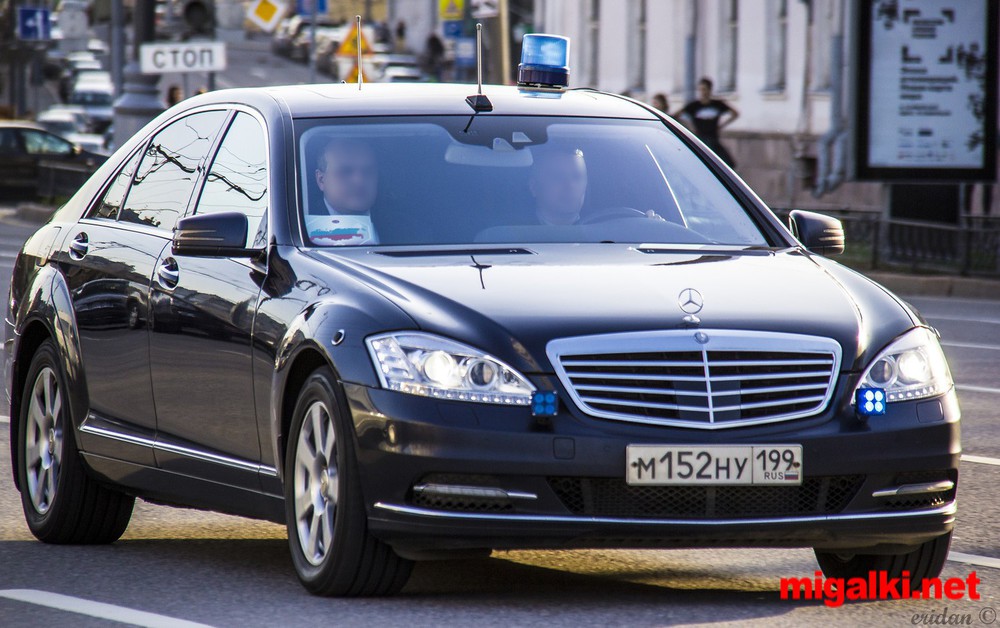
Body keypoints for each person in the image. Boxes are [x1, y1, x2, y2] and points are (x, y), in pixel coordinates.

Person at [308, 138, 379, 245]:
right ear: (321, 180)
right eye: (345, 171)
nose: (359, 181)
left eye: (368, 171)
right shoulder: (300, 223)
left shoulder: (400, 221)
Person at [677, 77, 739, 167]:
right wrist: (689, 127)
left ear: (710, 90)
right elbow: (677, 115)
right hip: (700, 138)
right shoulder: (694, 106)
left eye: (705, 89)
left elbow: (735, 113)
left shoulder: (717, 104)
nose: (703, 92)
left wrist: (722, 125)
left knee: (727, 163)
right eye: (701, 90)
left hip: (713, 139)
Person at [529, 148, 588, 225]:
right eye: (558, 177)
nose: (570, 186)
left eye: (577, 177)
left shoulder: (600, 226)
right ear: (534, 187)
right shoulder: (516, 227)